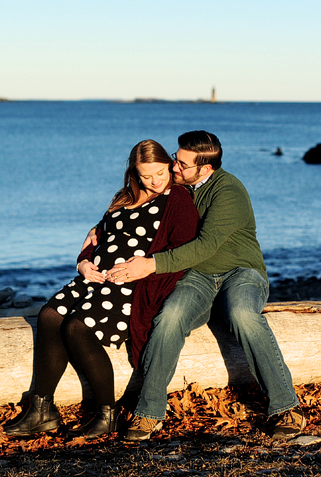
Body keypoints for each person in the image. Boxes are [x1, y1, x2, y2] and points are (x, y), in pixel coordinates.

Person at [105, 131, 305, 441]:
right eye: (175, 158)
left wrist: (152, 264)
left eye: (182, 164)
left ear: (205, 168)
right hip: (197, 276)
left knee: (242, 314)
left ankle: (285, 406)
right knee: (169, 317)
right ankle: (149, 413)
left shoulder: (228, 191)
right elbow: (133, 206)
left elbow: (206, 245)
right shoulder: (176, 186)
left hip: (240, 272)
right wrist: (97, 231)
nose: (174, 167)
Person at [3, 140, 198, 439]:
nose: (156, 180)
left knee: (76, 327)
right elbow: (97, 238)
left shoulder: (177, 199)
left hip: (131, 286)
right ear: (134, 173)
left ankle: (108, 413)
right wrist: (83, 264)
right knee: (49, 316)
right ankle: (42, 410)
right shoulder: (123, 197)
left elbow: (182, 251)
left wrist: (142, 271)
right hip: (93, 278)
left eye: (160, 172)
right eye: (147, 175)